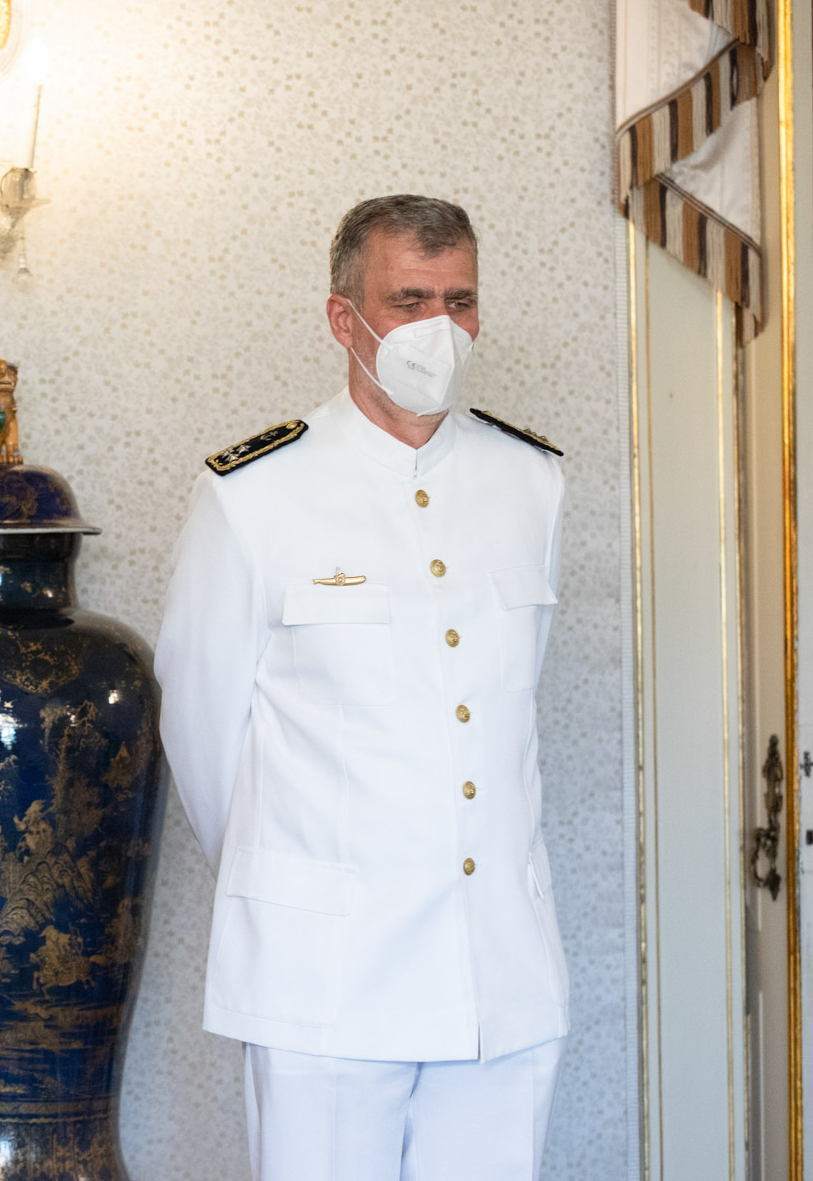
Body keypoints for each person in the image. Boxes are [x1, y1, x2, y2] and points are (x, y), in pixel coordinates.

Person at [154, 195, 567, 1181]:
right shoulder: (253, 493)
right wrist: (298, 879)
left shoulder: (531, 481)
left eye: (459, 301)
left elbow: (505, 712)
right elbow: (203, 731)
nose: (439, 327)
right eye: (409, 300)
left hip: (499, 964)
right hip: (327, 973)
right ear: (345, 319)